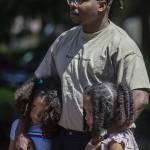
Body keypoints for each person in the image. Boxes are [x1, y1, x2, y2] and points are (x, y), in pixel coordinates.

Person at [16, 0, 150, 149]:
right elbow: (36, 86)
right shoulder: (63, 40)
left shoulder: (121, 45)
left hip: (97, 142)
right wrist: (21, 130)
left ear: (101, 6)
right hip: (60, 137)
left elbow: (140, 96)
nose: (73, 4)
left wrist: (106, 134)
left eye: (80, 0)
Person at [9, 77, 62, 150]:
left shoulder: (54, 129)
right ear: (26, 103)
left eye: (44, 112)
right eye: (33, 107)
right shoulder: (16, 124)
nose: (36, 116)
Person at [84, 82, 139, 150]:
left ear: (107, 112)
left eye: (91, 112)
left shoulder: (115, 143)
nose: (86, 117)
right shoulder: (107, 136)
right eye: (86, 112)